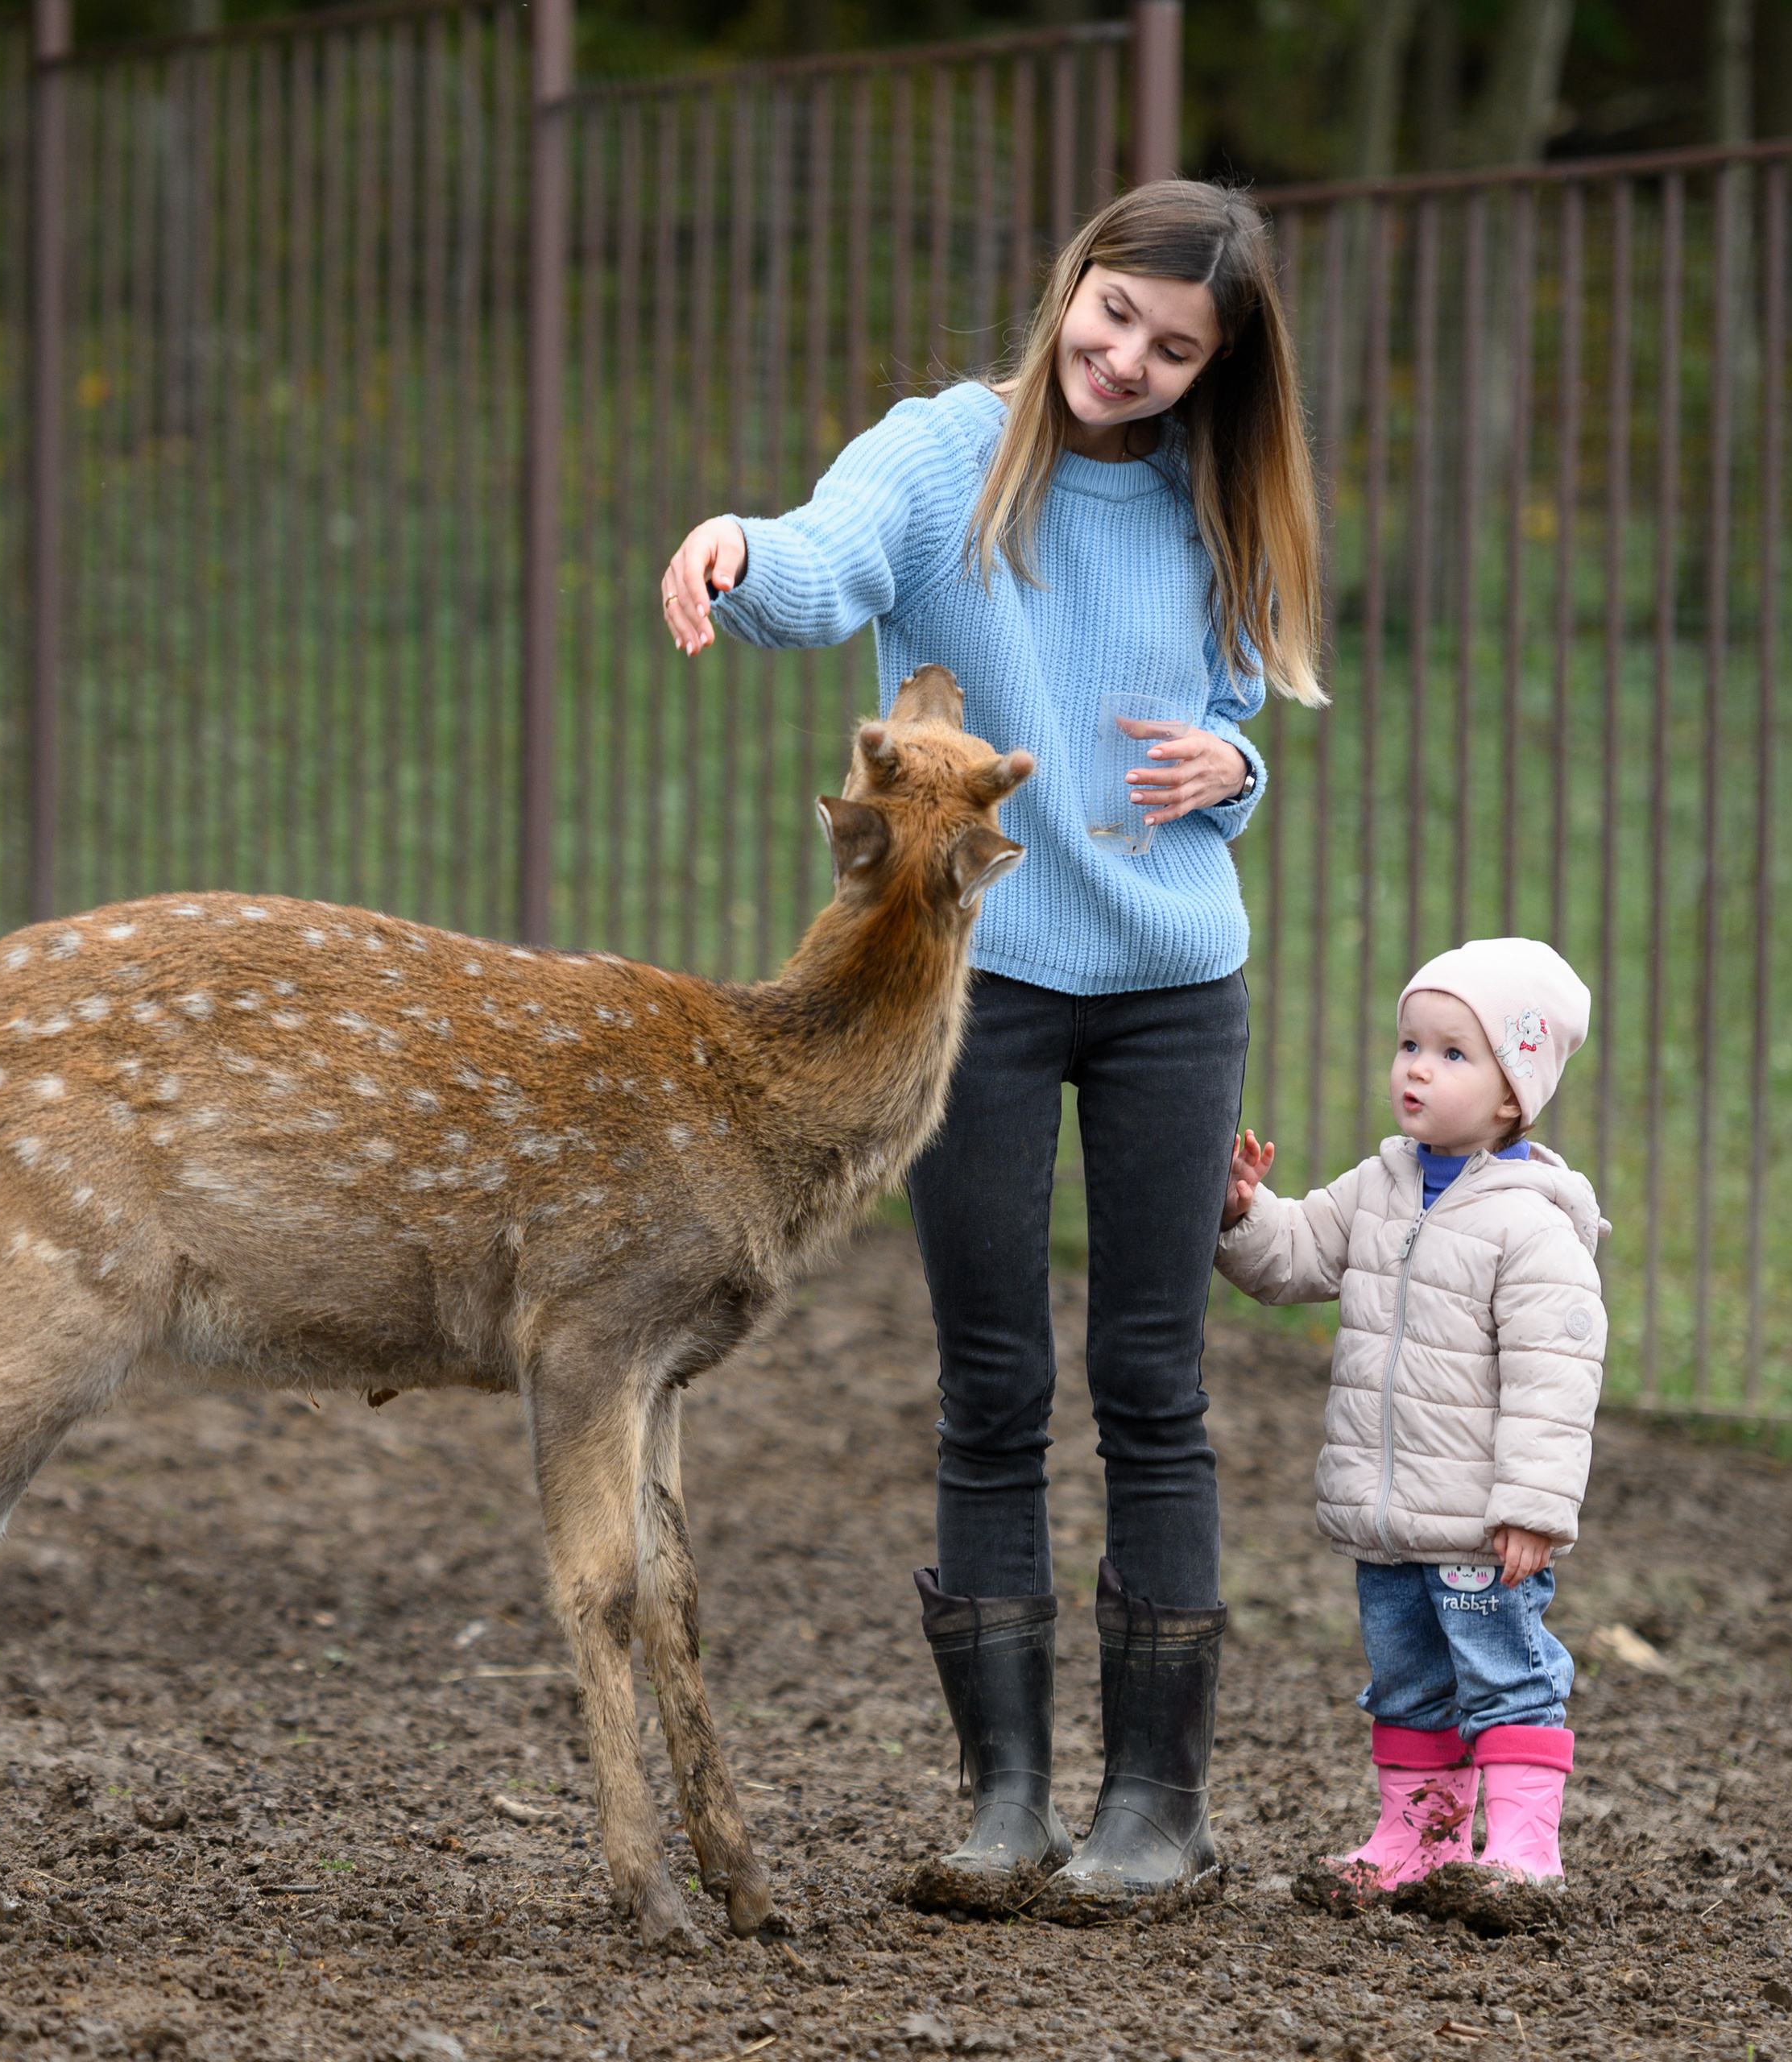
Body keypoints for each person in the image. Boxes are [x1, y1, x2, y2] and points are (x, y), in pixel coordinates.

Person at [659, 180, 1324, 1903]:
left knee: (1154, 1382)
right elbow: (831, 561)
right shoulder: (944, 450)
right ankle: (1005, 1800)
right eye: (1113, 314)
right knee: (993, 1381)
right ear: (1071, 284)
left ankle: (1156, 1807)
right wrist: (740, 553)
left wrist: (1235, 766)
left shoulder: (1210, 498)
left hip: (1174, 983)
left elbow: (1234, 703)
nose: (1127, 359)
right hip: (980, 995)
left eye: (1173, 348)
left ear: (1216, 369)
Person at [1216, 938, 1608, 1896]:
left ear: (1513, 1095)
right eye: (1409, 1045)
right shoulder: (1378, 1185)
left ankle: (1522, 1852)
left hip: (1479, 1524)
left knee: (1504, 1672)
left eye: (1451, 1053)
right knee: (1406, 1682)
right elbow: (1295, 1259)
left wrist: (1532, 1508)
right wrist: (1242, 1212)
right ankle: (1418, 1838)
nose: (1416, 1068)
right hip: (1387, 1519)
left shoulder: (1532, 1225)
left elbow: (1554, 1381)